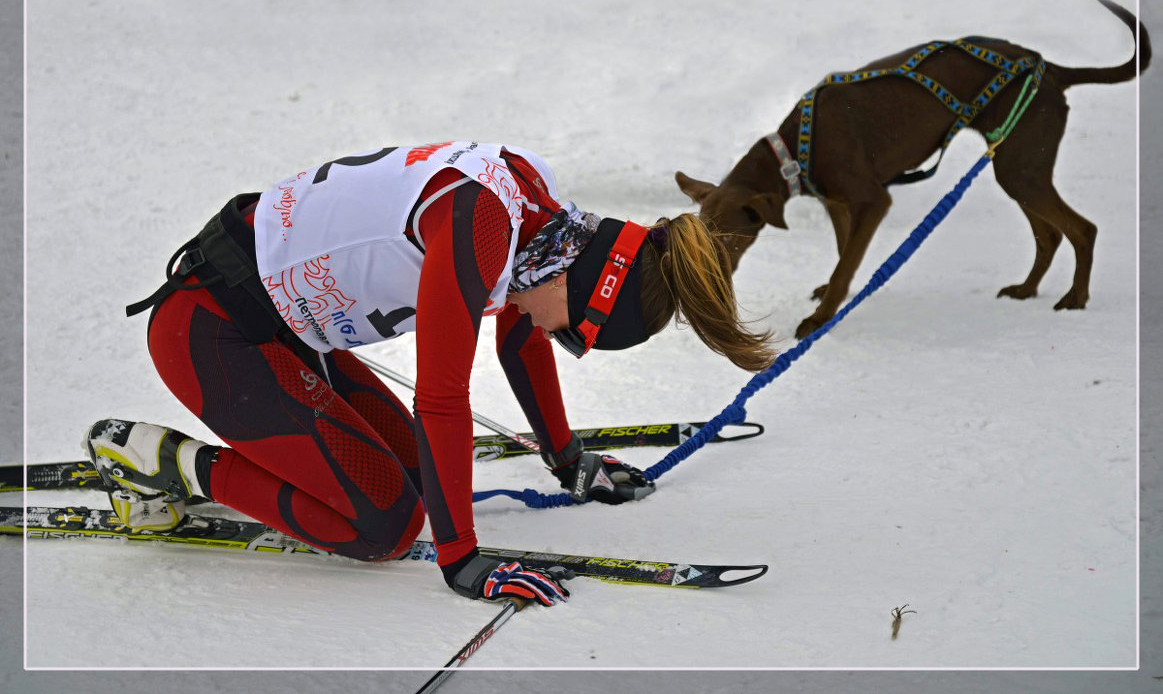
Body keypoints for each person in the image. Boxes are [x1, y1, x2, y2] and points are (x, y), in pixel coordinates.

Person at [85, 141, 776, 607]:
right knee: (382, 525)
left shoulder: (540, 217)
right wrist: (462, 561)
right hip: (212, 332)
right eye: (570, 329)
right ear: (585, 277)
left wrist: (567, 459)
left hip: (282, 334)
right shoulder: (480, 223)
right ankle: (166, 463)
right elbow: (441, 399)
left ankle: (262, 451)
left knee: (418, 479)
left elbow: (517, 341)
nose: (549, 335)